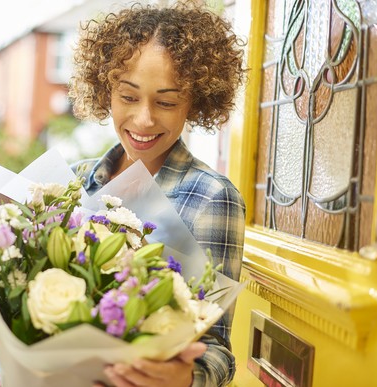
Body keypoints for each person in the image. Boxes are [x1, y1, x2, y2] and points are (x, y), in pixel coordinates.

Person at [69, 1, 247, 386]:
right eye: (128, 97)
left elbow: (216, 349)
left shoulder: (212, 198)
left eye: (166, 102)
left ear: (195, 101)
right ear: (105, 91)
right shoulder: (75, 181)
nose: (145, 119)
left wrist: (185, 378)